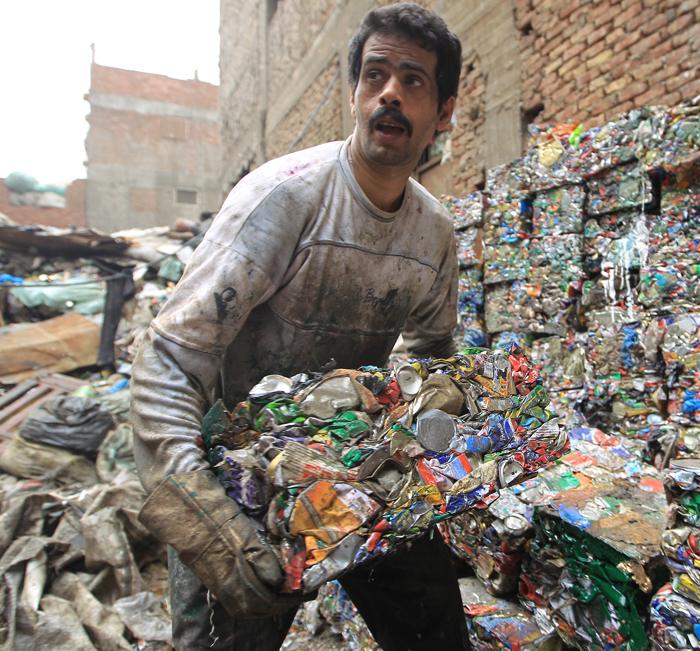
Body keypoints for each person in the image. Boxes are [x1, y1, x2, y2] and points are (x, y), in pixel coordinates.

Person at [130, 4, 471, 649]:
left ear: (443, 113)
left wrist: (438, 458)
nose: (390, 93)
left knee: (436, 632)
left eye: (413, 80)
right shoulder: (283, 199)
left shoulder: (434, 234)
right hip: (237, 474)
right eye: (375, 76)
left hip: (355, 467)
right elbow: (170, 362)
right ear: (354, 95)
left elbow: (430, 360)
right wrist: (204, 520)